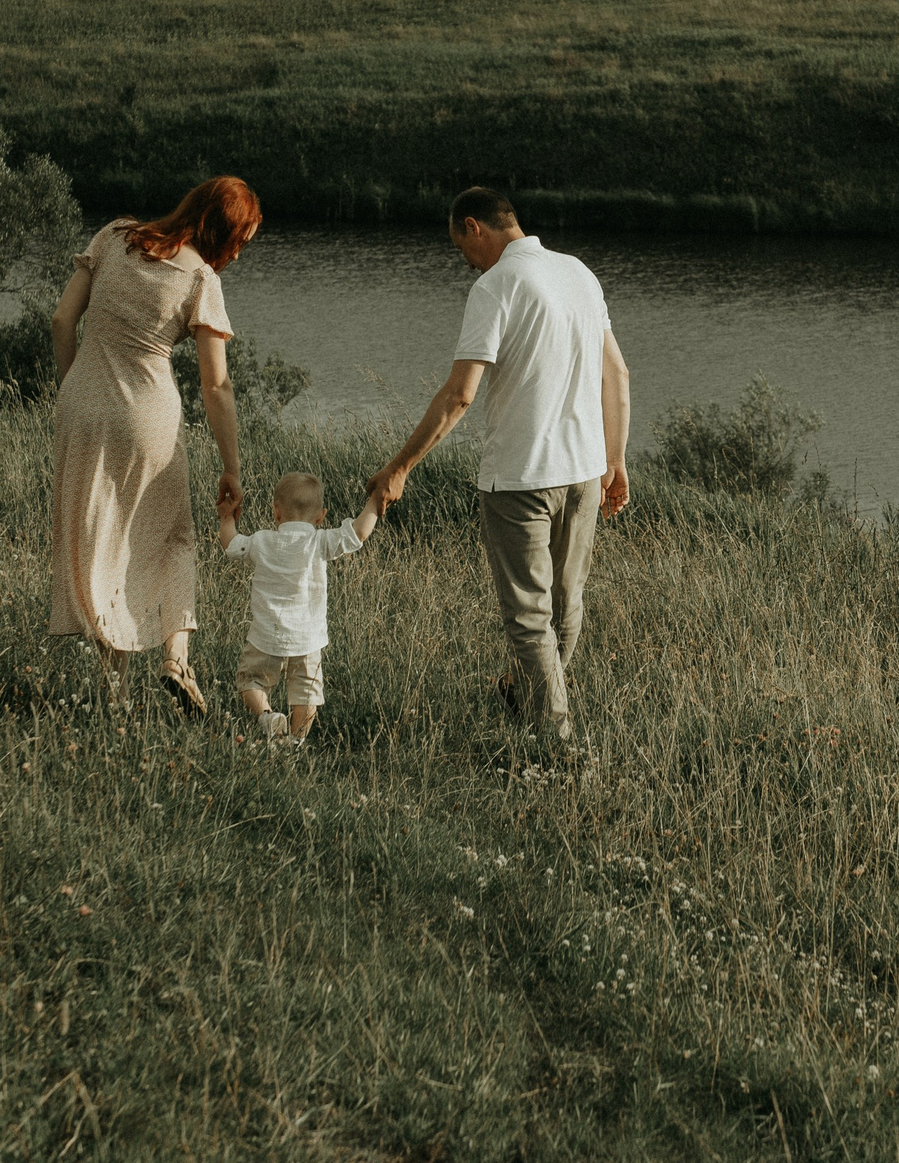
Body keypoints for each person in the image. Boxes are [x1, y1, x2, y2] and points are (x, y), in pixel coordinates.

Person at [369, 187, 630, 743]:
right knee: (566, 605)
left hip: (521, 478)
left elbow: (461, 395)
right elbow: (618, 375)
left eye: (459, 245)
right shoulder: (579, 273)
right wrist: (616, 458)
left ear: (474, 227)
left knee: (530, 617)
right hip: (584, 472)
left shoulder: (495, 286)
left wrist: (400, 466)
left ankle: (556, 740)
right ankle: (526, 699)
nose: (462, 259)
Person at [49, 176, 260, 716]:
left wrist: (78, 388)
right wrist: (231, 467)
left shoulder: (114, 234)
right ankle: (176, 658)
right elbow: (216, 386)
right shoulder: (201, 279)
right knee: (175, 537)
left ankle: (113, 694)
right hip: (148, 420)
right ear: (228, 234)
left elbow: (61, 320)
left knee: (104, 540)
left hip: (81, 407)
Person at [217, 471, 383, 747]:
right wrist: (375, 501)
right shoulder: (319, 542)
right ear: (321, 516)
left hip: (265, 635)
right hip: (308, 638)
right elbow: (358, 533)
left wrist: (226, 518)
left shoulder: (261, 541)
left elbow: (231, 545)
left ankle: (267, 717)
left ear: (276, 512)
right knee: (306, 694)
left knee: (251, 681)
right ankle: (296, 741)